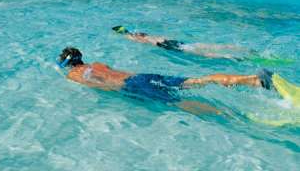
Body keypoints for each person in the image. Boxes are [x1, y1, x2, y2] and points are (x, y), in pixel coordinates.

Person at [57, 47, 277, 115]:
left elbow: (101, 87)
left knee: (178, 104)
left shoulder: (72, 75)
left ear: (66, 63)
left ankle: (229, 114)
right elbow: (107, 74)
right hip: (141, 76)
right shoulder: (97, 63)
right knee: (198, 81)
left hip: (131, 87)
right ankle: (254, 80)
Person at [112, 25, 249, 60]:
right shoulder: (142, 34)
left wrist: (126, 36)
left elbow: (140, 41)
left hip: (166, 45)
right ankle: (242, 49)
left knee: (205, 53)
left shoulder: (134, 37)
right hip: (172, 41)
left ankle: (234, 57)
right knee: (207, 46)